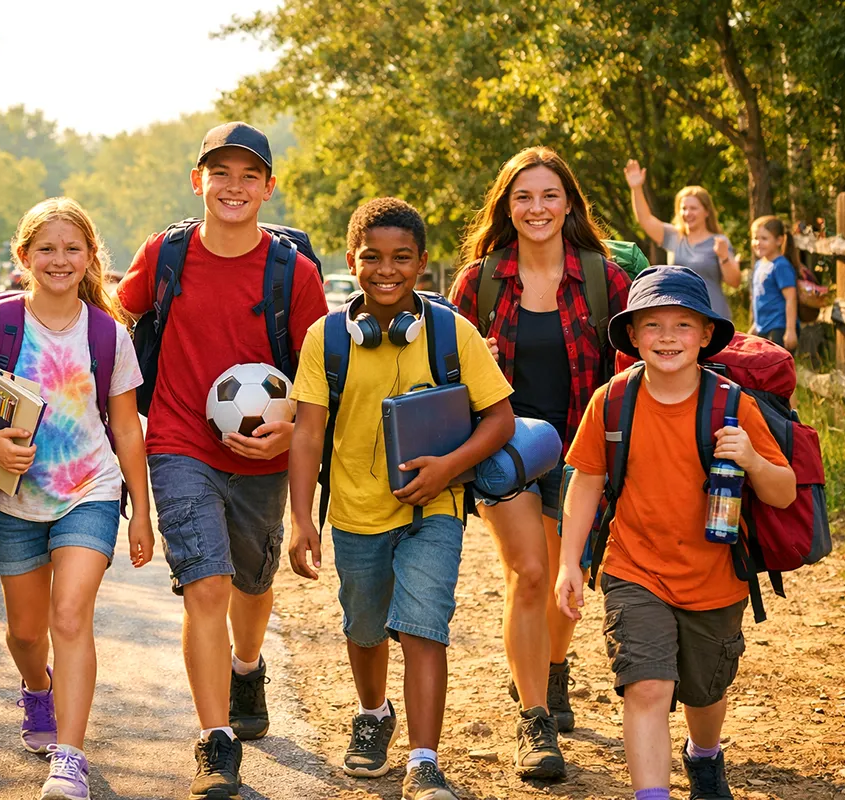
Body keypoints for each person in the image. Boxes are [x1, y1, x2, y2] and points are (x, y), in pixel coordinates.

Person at [116, 121, 327, 800]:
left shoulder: (293, 273)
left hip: (264, 456)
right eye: (220, 173)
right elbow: (112, 325)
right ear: (197, 181)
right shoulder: (165, 255)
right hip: (179, 444)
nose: (232, 187)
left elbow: (324, 376)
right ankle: (215, 742)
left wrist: (289, 424)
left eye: (247, 175)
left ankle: (247, 665)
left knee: (252, 585)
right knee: (206, 585)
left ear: (269, 186)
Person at [288, 198, 515, 800]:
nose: (386, 270)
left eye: (402, 258)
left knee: (423, 627)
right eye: (373, 257)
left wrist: (449, 468)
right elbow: (309, 431)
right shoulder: (327, 338)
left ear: (421, 264)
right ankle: (372, 714)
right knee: (364, 628)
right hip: (356, 513)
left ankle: (423, 759)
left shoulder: (450, 332)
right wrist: (300, 520)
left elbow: (499, 418)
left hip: (432, 509)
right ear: (351, 261)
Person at [555, 266, 796, 800]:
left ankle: (704, 756)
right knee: (647, 686)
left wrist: (753, 459)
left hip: (715, 578)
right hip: (633, 569)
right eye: (653, 325)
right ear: (634, 335)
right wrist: (570, 562)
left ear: (706, 335)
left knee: (705, 692)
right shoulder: (612, 402)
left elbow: (782, 492)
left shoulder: (733, 406)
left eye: (683, 325)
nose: (667, 337)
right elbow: (587, 483)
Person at [0, 198, 153, 800]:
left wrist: (140, 511)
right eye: (47, 249)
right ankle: (38, 689)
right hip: (16, 499)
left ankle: (71, 757)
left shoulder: (109, 334)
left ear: (90, 256)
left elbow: (127, 429)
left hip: (90, 489)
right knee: (26, 632)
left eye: (72, 248)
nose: (59, 260)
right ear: (23, 256)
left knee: (70, 617)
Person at [448, 146, 630, 780]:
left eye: (549, 195)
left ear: (569, 204)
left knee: (566, 574)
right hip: (507, 448)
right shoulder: (480, 281)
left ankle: (553, 666)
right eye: (523, 196)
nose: (537, 208)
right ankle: (534, 721)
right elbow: (448, 373)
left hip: (586, 451)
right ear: (507, 207)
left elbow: (630, 373)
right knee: (529, 573)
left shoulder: (606, 279)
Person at [624, 160, 738, 319]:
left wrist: (724, 256)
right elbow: (646, 220)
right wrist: (636, 188)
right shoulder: (674, 237)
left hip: (714, 314)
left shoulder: (719, 241)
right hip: (681, 316)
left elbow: (734, 281)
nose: (687, 213)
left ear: (706, 212)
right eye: (684, 208)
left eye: (693, 208)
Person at [749, 215, 799, 352]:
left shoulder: (781, 266)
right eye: (755, 238)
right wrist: (755, 326)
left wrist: (790, 330)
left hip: (779, 328)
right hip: (763, 328)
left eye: (764, 238)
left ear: (779, 240)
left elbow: (790, 298)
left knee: (776, 371)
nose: (758, 242)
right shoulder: (760, 264)